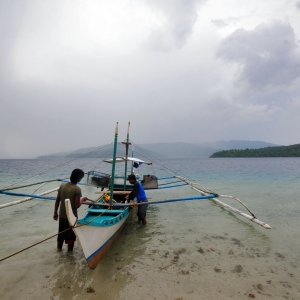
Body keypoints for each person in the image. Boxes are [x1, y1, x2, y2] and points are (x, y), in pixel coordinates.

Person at [53, 168, 88, 253]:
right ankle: (70, 255)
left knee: (60, 234)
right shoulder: (77, 189)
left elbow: (58, 200)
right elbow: (76, 206)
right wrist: (82, 200)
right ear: (79, 178)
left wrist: (55, 212)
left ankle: (59, 251)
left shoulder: (62, 185)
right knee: (71, 237)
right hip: (71, 217)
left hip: (62, 215)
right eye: (81, 178)